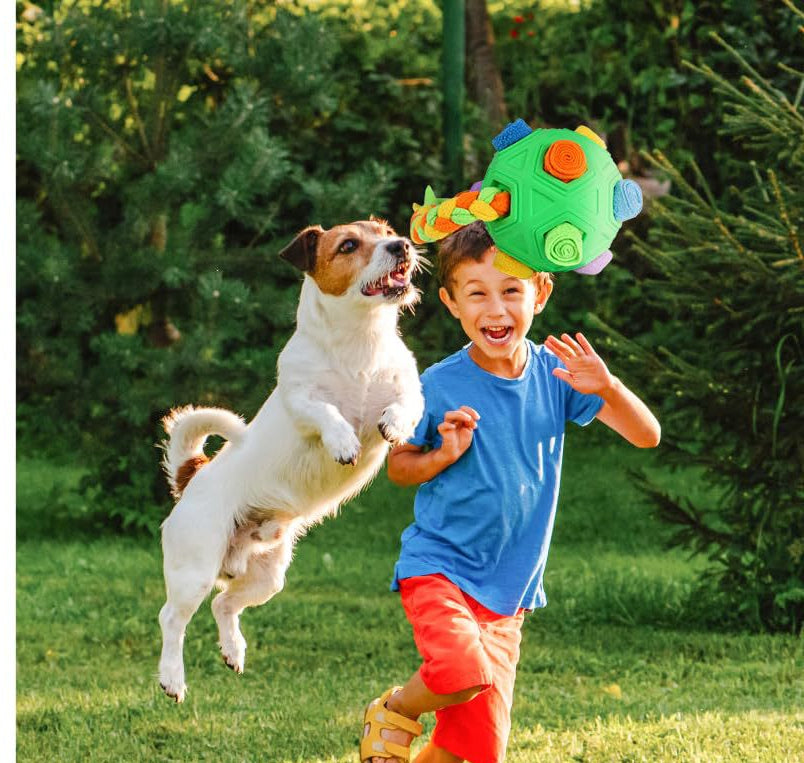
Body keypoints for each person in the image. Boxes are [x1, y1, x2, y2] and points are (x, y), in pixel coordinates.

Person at [359, 222, 661, 763]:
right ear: (451, 302)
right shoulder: (436, 385)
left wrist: (608, 386)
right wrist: (441, 455)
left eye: (511, 290)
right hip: (441, 568)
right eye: (477, 293)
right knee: (458, 672)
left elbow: (647, 435)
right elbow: (399, 468)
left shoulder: (559, 375)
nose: (495, 309)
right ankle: (396, 710)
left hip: (507, 595)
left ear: (540, 294)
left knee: (472, 752)